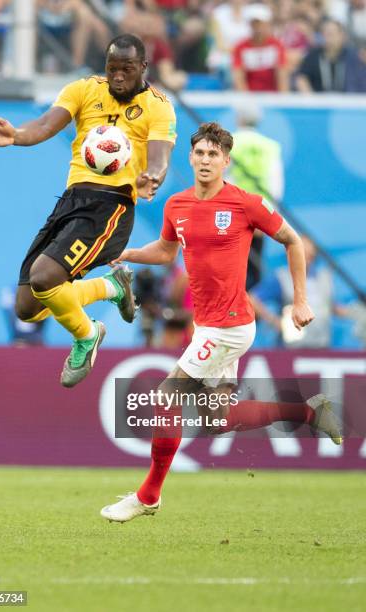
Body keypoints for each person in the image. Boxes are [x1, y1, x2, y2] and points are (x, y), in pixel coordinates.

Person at [101, 122, 342, 523]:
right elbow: (164, 251)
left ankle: (148, 496)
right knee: (218, 420)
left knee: (165, 397)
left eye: (215, 154)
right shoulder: (176, 205)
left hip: (230, 326)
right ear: (191, 158)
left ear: (226, 161)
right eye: (200, 153)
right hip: (208, 324)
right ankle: (312, 413)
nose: (206, 160)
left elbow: (292, 240)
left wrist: (299, 300)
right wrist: (127, 253)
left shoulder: (245, 203)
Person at [0, 33, 176, 388]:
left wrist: (153, 176)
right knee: (27, 306)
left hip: (112, 207)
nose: (118, 76)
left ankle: (87, 336)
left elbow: (161, 154)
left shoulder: (158, 105)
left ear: (143, 67)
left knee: (44, 277)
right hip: (72, 201)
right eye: (112, 68)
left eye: (127, 69)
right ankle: (112, 287)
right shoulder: (83, 89)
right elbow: (43, 125)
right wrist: (17, 136)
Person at [226, 101, 284, 290]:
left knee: (231, 265)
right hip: (260, 212)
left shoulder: (230, 142)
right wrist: (269, 215)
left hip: (234, 212)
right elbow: (275, 184)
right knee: (254, 268)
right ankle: (252, 313)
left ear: (239, 118)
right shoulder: (270, 146)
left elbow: (225, 179)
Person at [296, 19, 366, 93]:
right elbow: (302, 78)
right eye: (326, 34)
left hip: (348, 101)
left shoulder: (354, 56)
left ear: (342, 36)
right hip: (319, 101)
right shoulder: (313, 55)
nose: (329, 39)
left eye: (332, 34)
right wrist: (310, 99)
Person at [233, 3, 289, 92]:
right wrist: (245, 99)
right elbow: (238, 76)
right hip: (250, 97)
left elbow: (282, 74)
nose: (257, 28)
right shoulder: (241, 47)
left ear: (267, 24)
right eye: (254, 24)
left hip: (273, 96)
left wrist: (282, 98)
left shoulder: (276, 45)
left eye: (260, 24)